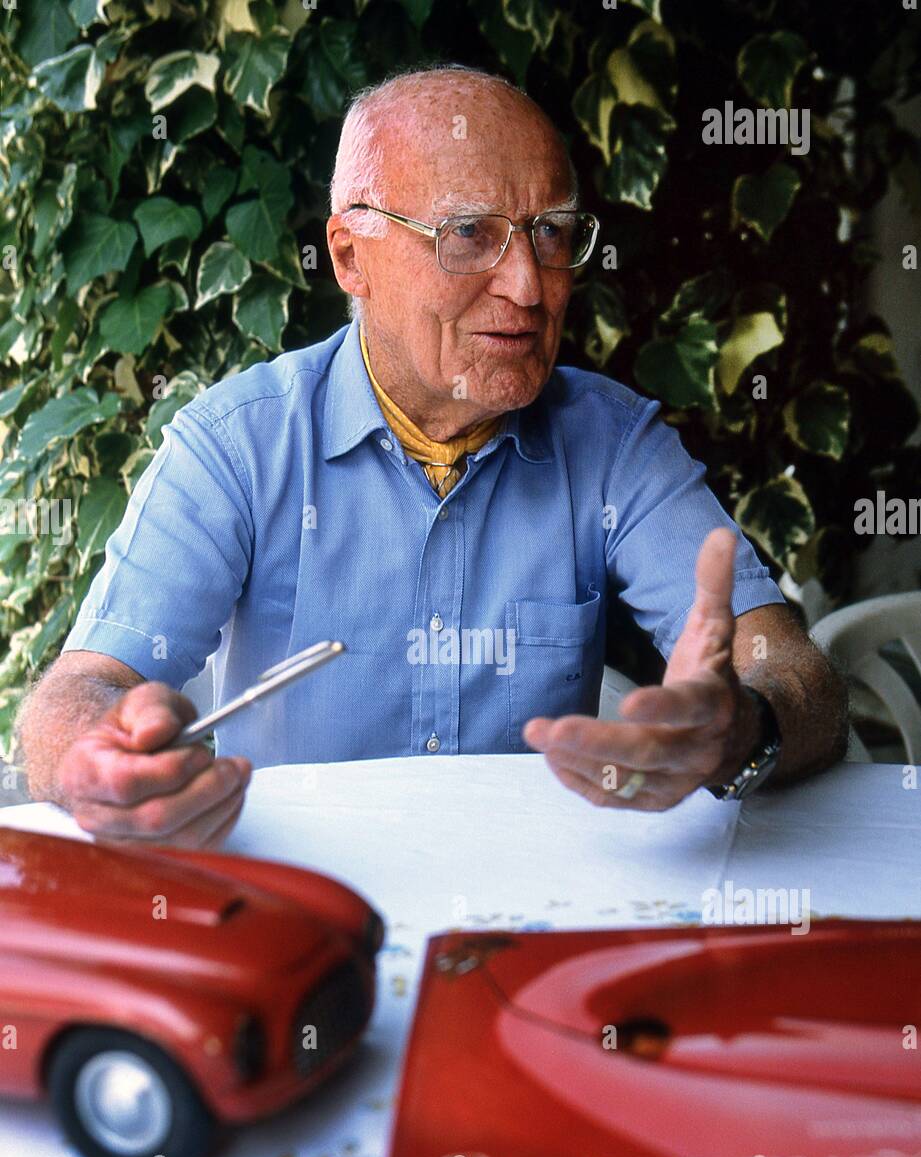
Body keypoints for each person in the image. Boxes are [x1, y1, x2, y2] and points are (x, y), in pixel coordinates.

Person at [17, 66, 848, 848]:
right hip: (302, 899)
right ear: (350, 258)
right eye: (469, 234)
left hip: (533, 909)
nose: (527, 285)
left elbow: (791, 669)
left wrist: (745, 726)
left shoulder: (612, 442)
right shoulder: (239, 445)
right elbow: (80, 693)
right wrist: (102, 757)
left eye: (550, 232)